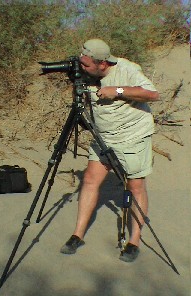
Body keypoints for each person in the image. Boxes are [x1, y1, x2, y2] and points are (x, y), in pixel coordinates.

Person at [60, 39, 159, 262]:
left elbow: (153, 94)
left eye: (86, 65)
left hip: (132, 136)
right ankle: (78, 234)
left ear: (102, 64)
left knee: (135, 186)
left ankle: (134, 240)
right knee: (90, 181)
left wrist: (119, 91)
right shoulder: (87, 72)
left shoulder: (127, 69)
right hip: (103, 137)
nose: (81, 67)